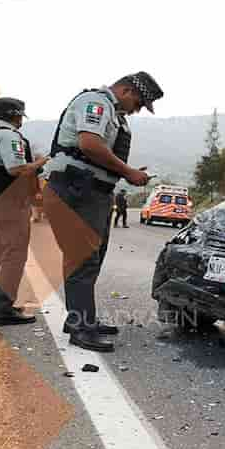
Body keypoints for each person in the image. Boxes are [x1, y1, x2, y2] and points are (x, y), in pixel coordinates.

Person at [44, 71, 161, 352]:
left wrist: (126, 173)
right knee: (83, 259)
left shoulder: (112, 111)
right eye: (139, 103)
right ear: (127, 90)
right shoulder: (95, 103)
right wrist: (127, 171)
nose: (136, 110)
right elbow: (89, 144)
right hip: (75, 189)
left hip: (91, 193)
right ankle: (81, 328)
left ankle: (81, 319)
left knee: (91, 258)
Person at [0, 97, 48, 326]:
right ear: (15, 115)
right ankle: (3, 308)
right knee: (14, 253)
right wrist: (39, 163)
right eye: (20, 117)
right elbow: (15, 168)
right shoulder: (8, 135)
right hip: (8, 201)